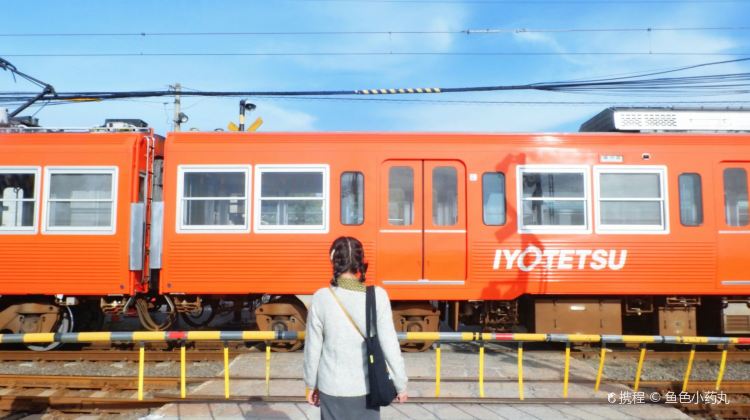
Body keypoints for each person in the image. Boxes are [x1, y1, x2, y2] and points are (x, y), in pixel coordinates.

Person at [304, 236, 408, 419]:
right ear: (361, 262)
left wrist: (311, 385)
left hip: (331, 388)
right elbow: (390, 344)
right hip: (367, 388)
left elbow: (312, 350)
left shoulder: (321, 297)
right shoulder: (377, 296)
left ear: (333, 261)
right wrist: (400, 384)